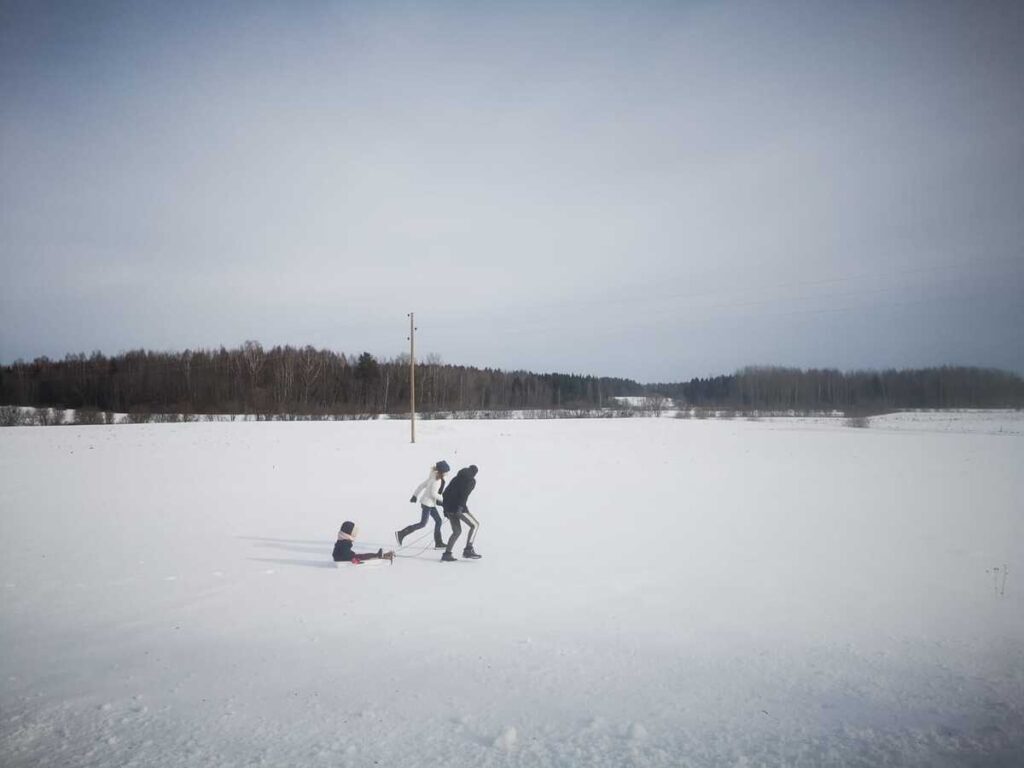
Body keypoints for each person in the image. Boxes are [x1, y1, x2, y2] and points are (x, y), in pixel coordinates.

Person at [397, 460, 450, 548]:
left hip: (429, 504)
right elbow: (434, 494)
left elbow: (421, 485)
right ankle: (401, 533)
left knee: (438, 521)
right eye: (446, 472)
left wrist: (415, 495)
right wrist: (445, 500)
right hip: (427, 504)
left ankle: (438, 543)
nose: (447, 473)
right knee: (423, 524)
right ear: (442, 471)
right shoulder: (437, 480)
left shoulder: (433, 476)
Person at [441, 464, 481, 562]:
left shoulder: (456, 478)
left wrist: (445, 510)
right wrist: (460, 508)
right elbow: (465, 495)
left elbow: (445, 493)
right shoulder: (471, 480)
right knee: (475, 525)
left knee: (456, 532)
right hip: (459, 509)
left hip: (449, 509)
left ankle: (447, 554)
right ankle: (468, 549)